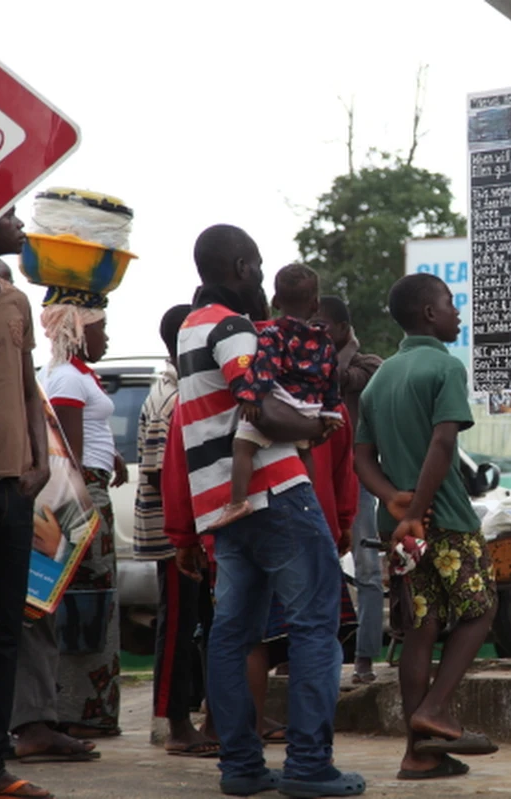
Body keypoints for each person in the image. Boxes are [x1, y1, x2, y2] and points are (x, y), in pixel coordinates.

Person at [174, 224, 362, 798]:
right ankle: (308, 766)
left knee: (232, 635)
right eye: (257, 266)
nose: (262, 278)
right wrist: (317, 425)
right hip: (277, 491)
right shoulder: (233, 329)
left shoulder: (189, 328)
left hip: (223, 506)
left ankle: (242, 767)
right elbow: (256, 408)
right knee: (314, 628)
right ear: (241, 269)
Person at [355, 273, 498, 782]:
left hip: (396, 529)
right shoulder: (444, 367)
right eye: (451, 303)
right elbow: (443, 445)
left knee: (420, 629)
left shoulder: (380, 377)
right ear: (429, 315)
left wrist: (391, 499)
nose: (457, 313)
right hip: (446, 519)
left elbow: (361, 457)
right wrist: (418, 506)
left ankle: (418, 754)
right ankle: (436, 708)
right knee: (481, 610)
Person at [0, 263, 99, 766]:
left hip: (20, 493)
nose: (7, 293)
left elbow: (34, 411)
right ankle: (19, 727)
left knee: (30, 610)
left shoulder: (14, 336)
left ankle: (32, 723)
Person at [0, 209, 53, 799]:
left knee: (1, 633)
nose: (20, 223)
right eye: (8, 214)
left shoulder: (15, 301)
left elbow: (28, 384)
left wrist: (41, 457)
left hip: (14, 490)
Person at [38, 282, 129, 740]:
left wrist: (110, 456)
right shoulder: (67, 379)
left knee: (97, 598)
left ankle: (91, 708)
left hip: (93, 487)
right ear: (79, 331)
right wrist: (84, 505)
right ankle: (79, 709)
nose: (107, 338)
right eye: (102, 329)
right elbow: (66, 450)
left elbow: (86, 437)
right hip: (82, 496)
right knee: (86, 602)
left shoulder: (77, 375)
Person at [136, 303, 219, 757]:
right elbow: (158, 472)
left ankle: (207, 714)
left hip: (188, 531)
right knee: (177, 625)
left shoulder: (181, 390)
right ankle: (176, 724)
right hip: (175, 536)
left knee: (201, 621)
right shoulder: (173, 398)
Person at [211, 263, 342, 530]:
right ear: (315, 305)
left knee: (244, 446)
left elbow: (265, 368)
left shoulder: (273, 334)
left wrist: (251, 397)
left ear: (275, 300)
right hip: (310, 408)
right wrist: (331, 412)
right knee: (305, 452)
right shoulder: (326, 342)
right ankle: (310, 500)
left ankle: (238, 502)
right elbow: (332, 378)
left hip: (281, 403)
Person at [313, 295, 384, 684]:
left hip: (358, 482)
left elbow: (341, 380)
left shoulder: (367, 365)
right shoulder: (308, 361)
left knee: (369, 571)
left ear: (342, 330)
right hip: (316, 479)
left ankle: (365, 658)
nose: (316, 333)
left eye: (323, 327)